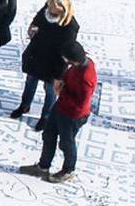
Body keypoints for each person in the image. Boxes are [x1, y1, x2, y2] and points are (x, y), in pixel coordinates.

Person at [19, 43, 95, 184]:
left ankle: (68, 170)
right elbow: (68, 77)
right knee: (48, 135)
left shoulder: (86, 78)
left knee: (67, 143)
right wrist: (61, 81)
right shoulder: (78, 65)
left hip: (73, 115)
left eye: (67, 60)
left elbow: (81, 103)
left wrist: (60, 91)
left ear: (74, 60)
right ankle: (43, 167)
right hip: (60, 107)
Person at [10, 0, 79, 125]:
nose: (50, 12)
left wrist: (59, 75)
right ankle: (24, 105)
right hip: (37, 55)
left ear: (62, 12)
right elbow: (37, 20)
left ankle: (46, 116)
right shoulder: (46, 9)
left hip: (54, 63)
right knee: (30, 83)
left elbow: (66, 51)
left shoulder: (71, 27)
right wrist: (33, 27)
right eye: (49, 8)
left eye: (54, 12)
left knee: (50, 91)